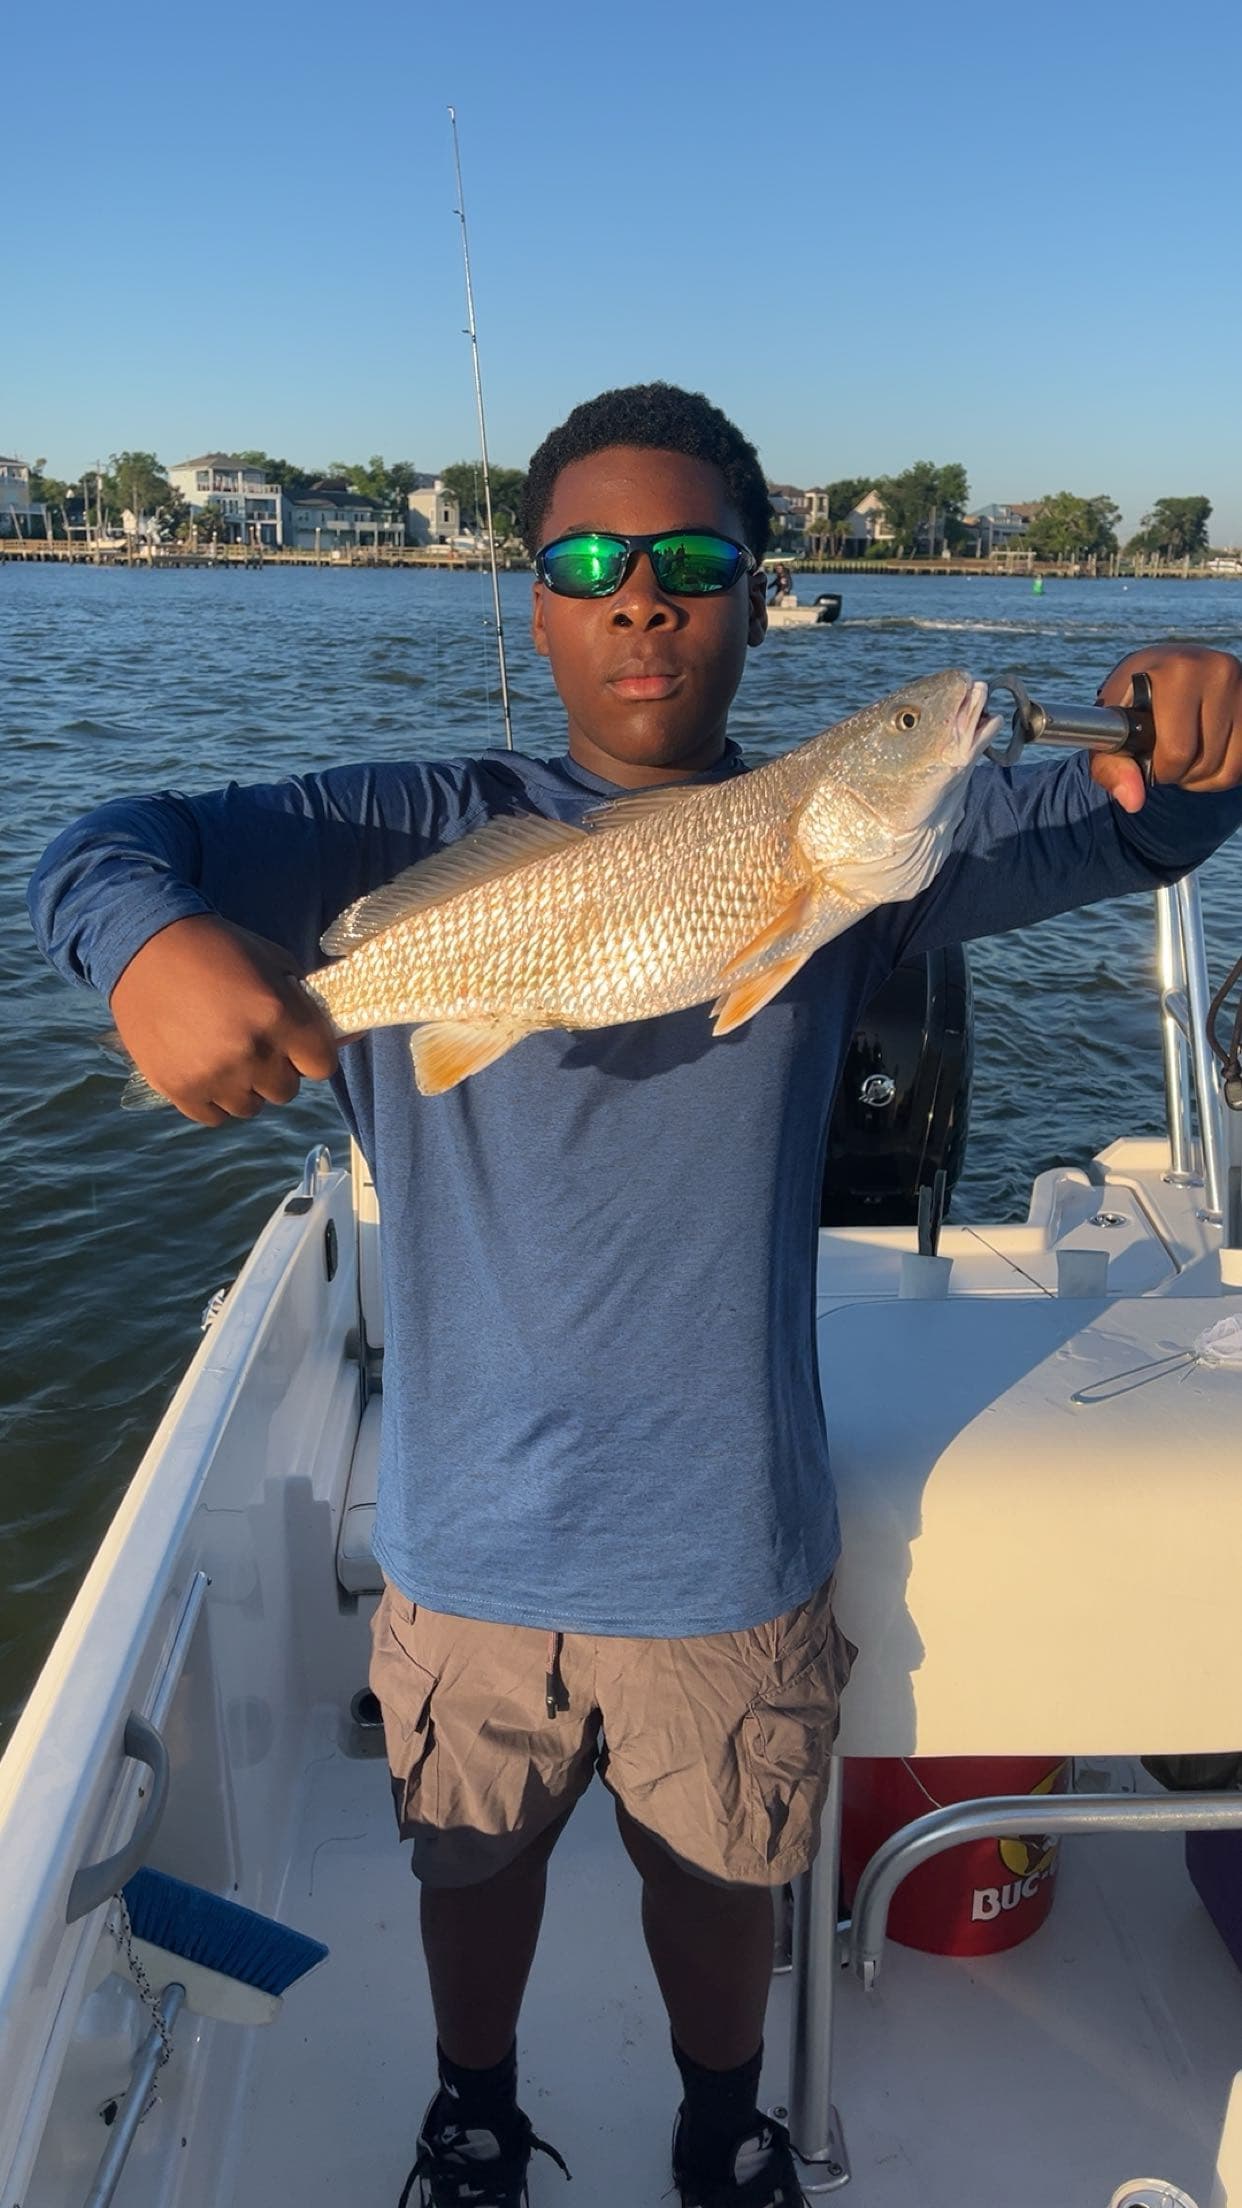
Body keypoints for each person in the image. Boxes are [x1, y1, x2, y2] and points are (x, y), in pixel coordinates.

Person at [28, 382, 1242, 2208]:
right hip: (466, 1528)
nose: (641, 597)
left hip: (721, 1531)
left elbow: (1137, 825)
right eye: (590, 561)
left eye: (692, 561)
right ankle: (471, 2108)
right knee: (469, 1860)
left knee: (719, 1868)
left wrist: (1206, 730)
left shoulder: (864, 869)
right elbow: (101, 844)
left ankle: (717, 2116)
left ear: (757, 598)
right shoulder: (399, 822)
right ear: (533, 599)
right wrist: (149, 951)